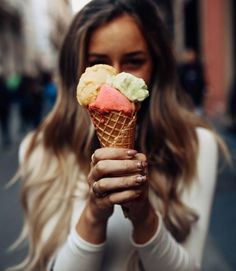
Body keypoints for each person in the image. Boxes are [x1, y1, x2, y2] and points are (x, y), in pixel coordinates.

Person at [9, 0, 227, 270]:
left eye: (134, 61)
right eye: (98, 63)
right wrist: (93, 215)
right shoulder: (40, 149)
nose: (116, 81)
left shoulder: (194, 145)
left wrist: (144, 216)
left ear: (156, 66)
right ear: (76, 71)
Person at [178, 48, 206, 116]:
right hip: (186, 101)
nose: (190, 56)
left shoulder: (198, 67)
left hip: (197, 101)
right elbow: (180, 83)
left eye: (192, 54)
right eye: (188, 54)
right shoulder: (182, 69)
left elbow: (202, 82)